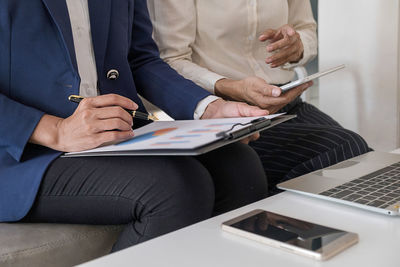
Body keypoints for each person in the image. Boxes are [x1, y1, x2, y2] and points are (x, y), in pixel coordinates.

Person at [0, 0, 269, 251]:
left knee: (240, 166)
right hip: (21, 153)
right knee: (175, 188)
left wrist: (209, 108)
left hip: (114, 132)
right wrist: (56, 130)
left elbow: (139, 58)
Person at [147, 0, 371, 193]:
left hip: (284, 103)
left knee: (363, 162)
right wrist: (233, 87)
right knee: (345, 148)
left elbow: (306, 29)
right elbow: (170, 61)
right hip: (225, 115)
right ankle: (264, 231)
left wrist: (298, 46)